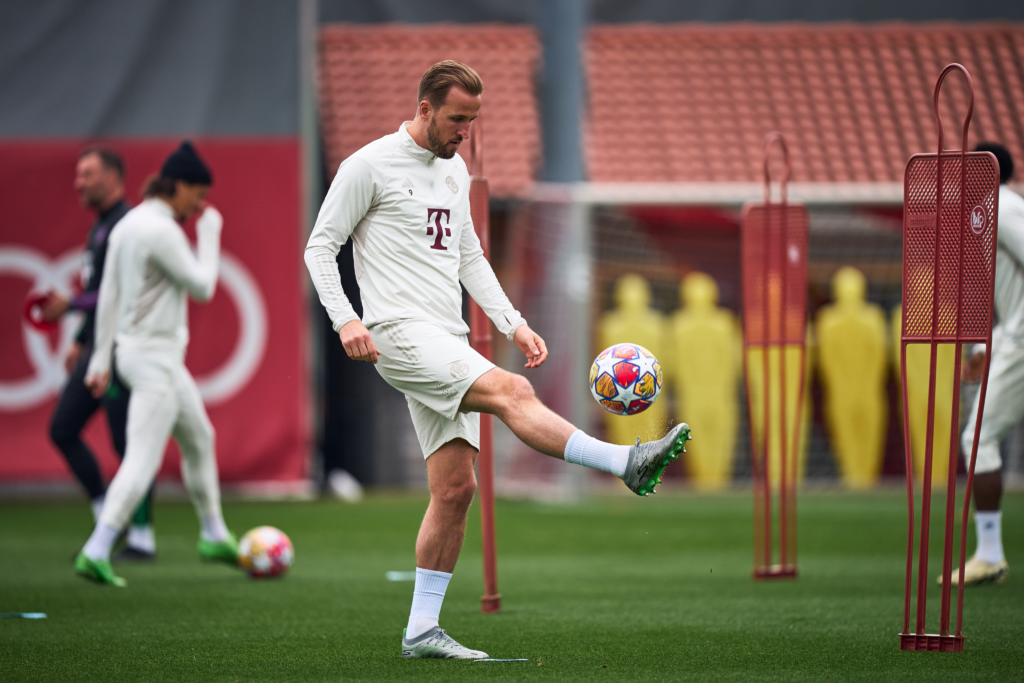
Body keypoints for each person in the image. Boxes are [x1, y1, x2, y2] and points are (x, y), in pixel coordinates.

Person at [305, 61, 690, 659]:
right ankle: (626, 462)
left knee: (456, 489)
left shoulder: (455, 170)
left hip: (447, 337)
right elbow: (320, 247)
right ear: (426, 108)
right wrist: (345, 318)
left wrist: (514, 322)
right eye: (458, 119)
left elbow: (470, 257)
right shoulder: (368, 165)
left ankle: (421, 631)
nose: (465, 131)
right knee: (513, 393)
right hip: (397, 333)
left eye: (473, 120)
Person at [75, 141, 237, 587]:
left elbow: (107, 292)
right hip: (155, 360)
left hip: (137, 354)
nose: (199, 205)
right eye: (197, 196)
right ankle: (98, 547)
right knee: (142, 459)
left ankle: (214, 532)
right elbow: (203, 286)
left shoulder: (129, 223)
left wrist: (102, 356)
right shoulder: (162, 230)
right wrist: (210, 234)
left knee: (200, 437)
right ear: (180, 185)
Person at [43, 147, 156, 561]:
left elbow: (121, 292)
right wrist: (80, 338)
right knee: (63, 429)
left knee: (130, 443)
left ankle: (142, 538)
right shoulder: (101, 229)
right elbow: (101, 294)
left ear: (112, 178)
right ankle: (107, 515)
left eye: (87, 174)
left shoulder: (127, 225)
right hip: (99, 345)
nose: (79, 182)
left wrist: (72, 306)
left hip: (125, 348)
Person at [945, 142, 1022, 587]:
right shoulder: (996, 210)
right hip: (1012, 336)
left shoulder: (1000, 208)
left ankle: (990, 554)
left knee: (978, 437)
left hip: (1022, 340)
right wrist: (984, 343)